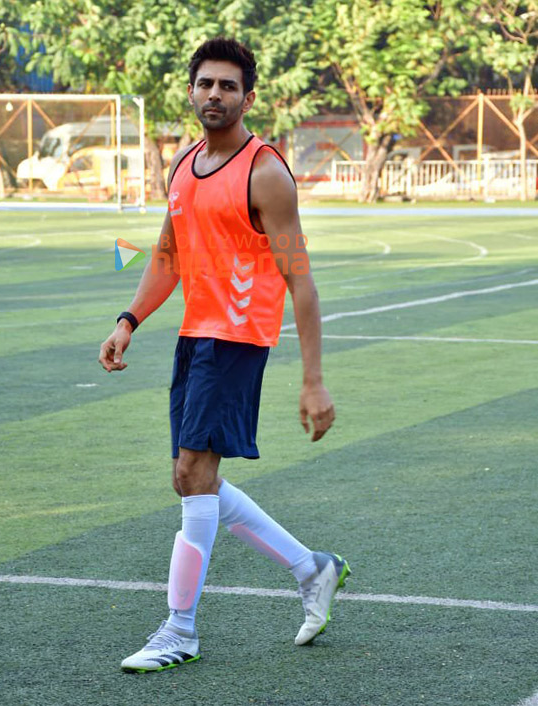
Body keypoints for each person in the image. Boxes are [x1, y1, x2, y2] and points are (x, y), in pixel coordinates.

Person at [98, 36, 350, 673]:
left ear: (248, 96)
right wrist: (129, 320)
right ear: (192, 90)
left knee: (192, 474)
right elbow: (167, 257)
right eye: (206, 84)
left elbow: (301, 279)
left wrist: (313, 381)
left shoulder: (266, 173)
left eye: (228, 86)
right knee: (193, 478)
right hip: (195, 337)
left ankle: (179, 630)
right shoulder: (182, 165)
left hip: (237, 340)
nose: (215, 94)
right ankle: (311, 568)